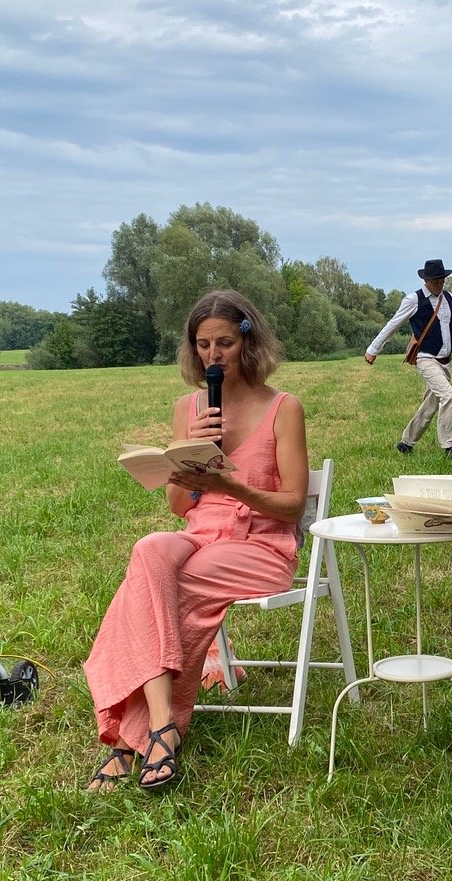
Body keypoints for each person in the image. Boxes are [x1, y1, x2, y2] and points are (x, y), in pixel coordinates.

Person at [83, 289, 308, 792]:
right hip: (201, 534)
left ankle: (129, 741)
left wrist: (231, 485)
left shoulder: (283, 408)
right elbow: (179, 506)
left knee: (157, 591)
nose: (213, 356)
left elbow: (293, 506)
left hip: (260, 546)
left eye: (224, 343)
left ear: (249, 342)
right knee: (149, 550)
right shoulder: (189, 407)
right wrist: (191, 455)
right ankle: (162, 725)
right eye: (203, 345)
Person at [364, 259, 452, 460]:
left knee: (431, 404)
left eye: (442, 280)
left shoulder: (449, 298)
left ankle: (406, 443)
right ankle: (450, 446)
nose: (440, 284)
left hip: (445, 360)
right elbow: (393, 325)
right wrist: (373, 349)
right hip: (426, 358)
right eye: (436, 281)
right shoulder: (413, 300)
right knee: (450, 397)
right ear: (426, 280)